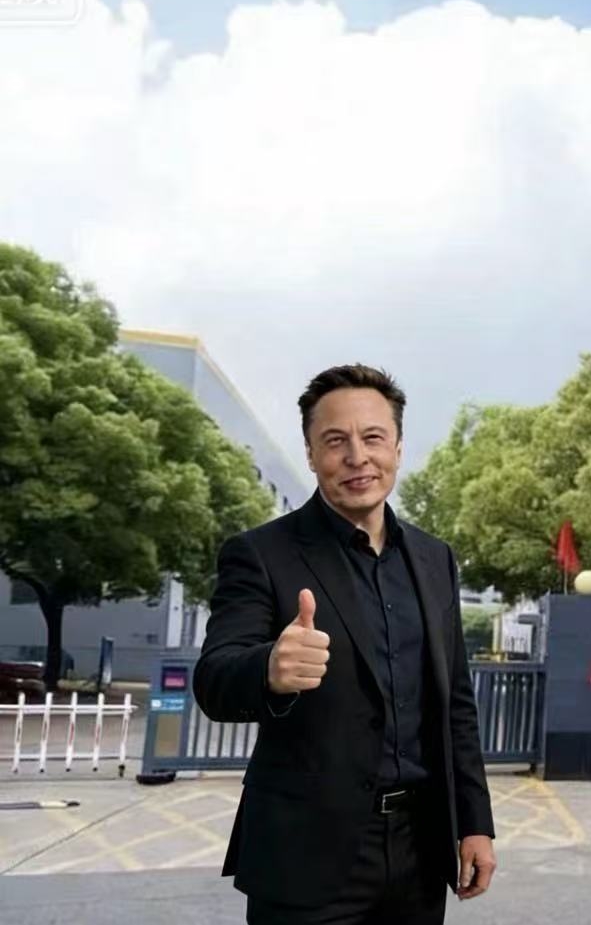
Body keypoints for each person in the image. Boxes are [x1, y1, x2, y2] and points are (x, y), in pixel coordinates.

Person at [194, 364, 496, 924]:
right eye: (335, 441)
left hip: (420, 849)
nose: (358, 457)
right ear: (311, 454)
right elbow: (214, 679)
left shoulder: (434, 559)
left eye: (373, 437)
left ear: (397, 448)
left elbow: (455, 703)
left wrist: (474, 822)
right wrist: (269, 670)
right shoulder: (262, 554)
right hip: (306, 854)